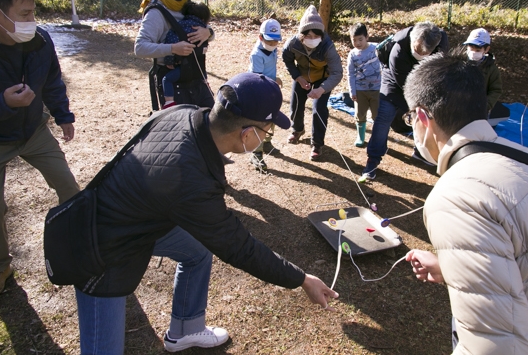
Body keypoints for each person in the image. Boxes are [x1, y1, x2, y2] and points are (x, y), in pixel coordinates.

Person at [72, 73, 339, 354]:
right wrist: (302, 279)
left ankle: (185, 330)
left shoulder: (184, 113)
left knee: (196, 250)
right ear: (247, 134)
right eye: (267, 131)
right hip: (100, 247)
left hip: (135, 218)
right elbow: (238, 247)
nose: (265, 138)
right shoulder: (192, 180)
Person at [402, 52, 528, 353]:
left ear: (423, 118)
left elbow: (494, 343)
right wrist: (453, 265)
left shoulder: (457, 196)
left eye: (409, 118)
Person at [0, 0, 80, 296]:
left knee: (68, 185)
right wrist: (3, 102)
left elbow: (53, 80)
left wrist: (63, 115)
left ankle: (79, 243)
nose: (33, 20)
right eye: (24, 14)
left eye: (34, 12)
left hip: (33, 130)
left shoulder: (41, 40)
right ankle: (1, 265)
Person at [360, 21, 448, 180]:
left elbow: (440, 70)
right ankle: (373, 158)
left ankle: (421, 151)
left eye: (425, 52)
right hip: (395, 83)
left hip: (424, 80)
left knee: (428, 117)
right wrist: (418, 104)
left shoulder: (441, 42)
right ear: (413, 40)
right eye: (417, 50)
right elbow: (406, 85)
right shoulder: (398, 49)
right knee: (384, 116)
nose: (421, 54)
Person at [136, 0, 215, 108]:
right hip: (173, 82)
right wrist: (172, 49)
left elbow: (206, 31)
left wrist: (208, 32)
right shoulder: (156, 13)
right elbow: (140, 48)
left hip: (196, 76)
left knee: (211, 126)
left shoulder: (189, 5)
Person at [282, 5, 343, 161]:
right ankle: (297, 129)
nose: (312, 38)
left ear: (321, 35)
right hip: (302, 76)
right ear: (301, 35)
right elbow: (287, 58)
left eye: (315, 35)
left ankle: (317, 144)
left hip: (323, 79)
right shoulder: (293, 44)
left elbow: (337, 73)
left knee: (319, 109)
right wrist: (298, 77)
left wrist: (322, 89)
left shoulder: (328, 46)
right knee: (295, 105)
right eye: (307, 35)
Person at [161, 0, 211, 109]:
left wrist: (169, 60)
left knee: (166, 79)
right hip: (199, 70)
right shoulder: (204, 30)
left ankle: (169, 102)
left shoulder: (180, 27)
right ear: (204, 19)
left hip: (183, 69)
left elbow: (171, 40)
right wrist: (209, 31)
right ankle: (206, 83)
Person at [247, 18, 283, 172]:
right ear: (260, 37)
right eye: (270, 41)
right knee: (261, 121)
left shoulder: (272, 48)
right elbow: (258, 78)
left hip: (271, 90)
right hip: (259, 91)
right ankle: (256, 152)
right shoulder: (257, 55)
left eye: (276, 42)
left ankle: (267, 142)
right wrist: (275, 80)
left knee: (272, 117)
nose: (273, 45)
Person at [347, 22, 381, 147]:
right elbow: (350, 73)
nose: (357, 43)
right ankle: (360, 137)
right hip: (360, 90)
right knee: (360, 114)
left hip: (377, 89)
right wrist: (352, 91)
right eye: (354, 40)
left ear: (367, 37)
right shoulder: (352, 54)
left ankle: (377, 138)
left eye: (360, 39)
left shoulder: (376, 49)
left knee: (377, 115)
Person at [463, 28, 502, 112]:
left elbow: (496, 90)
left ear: (486, 49)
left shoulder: (491, 69)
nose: (473, 53)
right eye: (471, 49)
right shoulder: (459, 62)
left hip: (480, 109)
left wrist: (486, 105)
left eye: (478, 50)